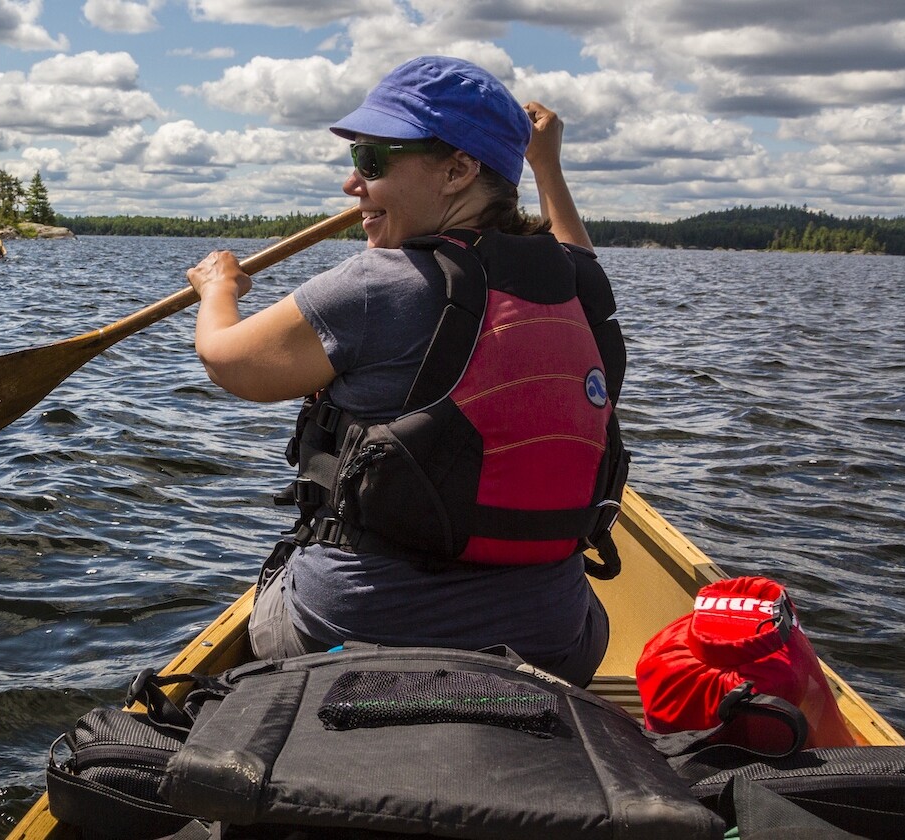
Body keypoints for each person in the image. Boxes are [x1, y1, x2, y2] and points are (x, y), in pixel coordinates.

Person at [183, 56, 621, 687]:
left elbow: (229, 360)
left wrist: (218, 288)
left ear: (458, 170)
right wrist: (546, 166)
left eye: (372, 161)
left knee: (281, 586)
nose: (351, 185)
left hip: (353, 632)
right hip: (551, 645)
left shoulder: (377, 283)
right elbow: (575, 247)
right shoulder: (575, 284)